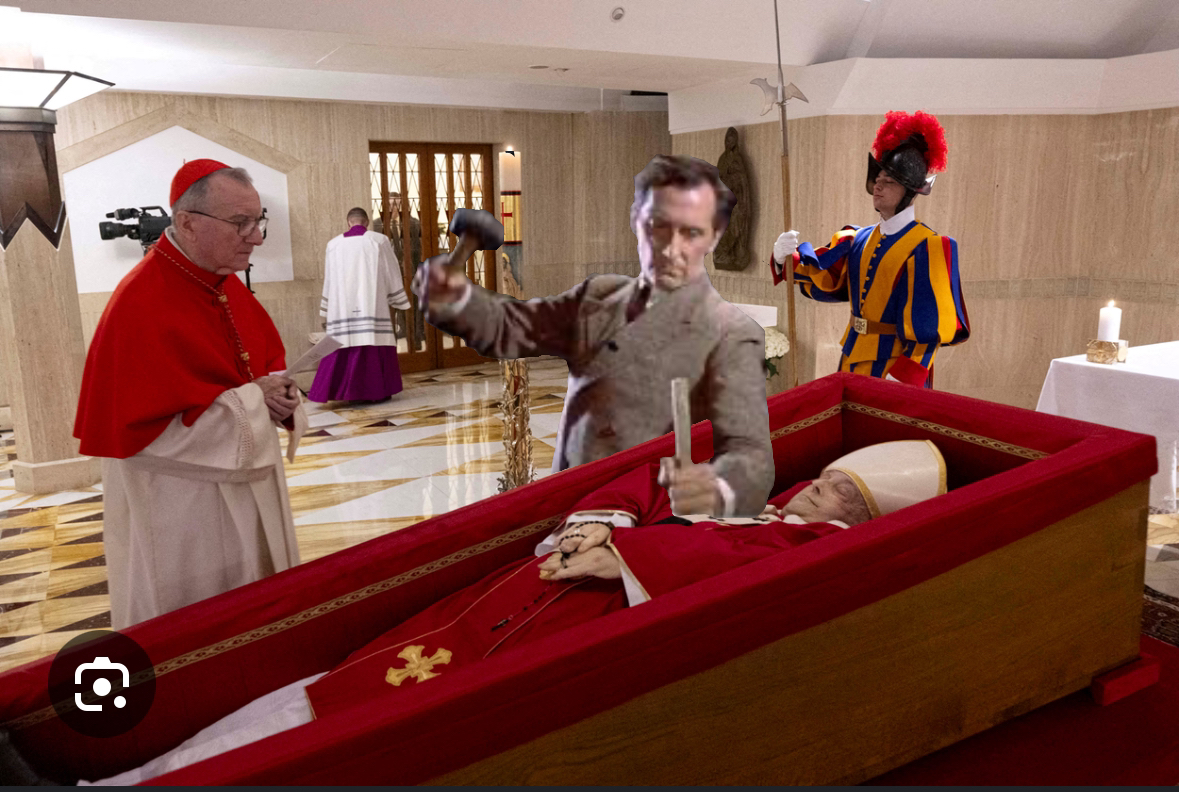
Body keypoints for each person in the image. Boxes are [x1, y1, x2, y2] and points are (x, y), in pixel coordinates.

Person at [56, 439, 942, 785]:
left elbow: (748, 570)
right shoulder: (762, 499)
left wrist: (631, 556)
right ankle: (140, 771)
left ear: (863, 520)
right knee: (327, 685)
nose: (816, 490)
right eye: (827, 477)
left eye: (840, 493)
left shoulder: (816, 547)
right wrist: (605, 523)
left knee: (349, 727)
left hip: (565, 633)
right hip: (519, 596)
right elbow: (651, 478)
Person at [414, 155, 774, 517]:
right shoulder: (599, 297)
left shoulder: (732, 333)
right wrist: (456, 297)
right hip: (569, 502)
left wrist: (714, 489)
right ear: (636, 221)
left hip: (643, 517)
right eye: (658, 224)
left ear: (715, 236)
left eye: (691, 231)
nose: (670, 246)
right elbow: (508, 327)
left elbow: (750, 457)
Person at [73, 159, 306, 630]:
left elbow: (260, 368)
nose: (257, 238)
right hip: (183, 502)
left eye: (257, 221)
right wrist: (253, 401)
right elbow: (144, 435)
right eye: (240, 223)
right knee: (201, 622)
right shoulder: (139, 301)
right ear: (188, 222)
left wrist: (280, 397)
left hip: (247, 482)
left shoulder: (223, 284)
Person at [770, 111, 970, 388]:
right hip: (851, 358)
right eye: (878, 179)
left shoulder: (929, 246)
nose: (878, 185)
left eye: (889, 181)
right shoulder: (857, 238)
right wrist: (783, 259)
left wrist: (905, 376)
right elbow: (826, 280)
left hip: (894, 369)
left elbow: (930, 327)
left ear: (909, 192)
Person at [309, 206, 411, 403]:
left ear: (349, 222)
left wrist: (327, 305)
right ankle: (376, 391)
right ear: (367, 222)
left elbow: (329, 277)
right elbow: (391, 270)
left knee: (342, 342)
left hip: (342, 305)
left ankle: (342, 392)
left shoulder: (333, 244)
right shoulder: (379, 240)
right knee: (372, 340)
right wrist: (397, 297)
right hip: (371, 302)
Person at [374, 192, 424, 350]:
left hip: (409, 272)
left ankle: (414, 341)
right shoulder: (376, 225)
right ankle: (391, 345)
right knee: (390, 309)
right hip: (387, 275)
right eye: (390, 205)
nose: (394, 208)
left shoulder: (414, 224)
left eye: (397, 205)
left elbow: (419, 248)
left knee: (411, 307)